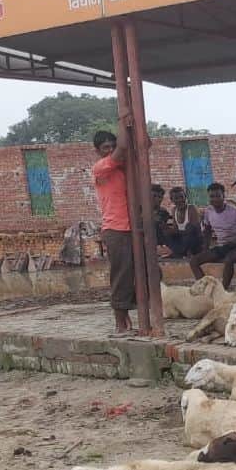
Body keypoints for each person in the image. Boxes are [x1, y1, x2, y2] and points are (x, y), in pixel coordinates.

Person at [91, 130, 135, 336]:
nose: (110, 151)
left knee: (141, 272)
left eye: (112, 146)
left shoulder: (122, 166)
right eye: (105, 148)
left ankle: (127, 317)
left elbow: (144, 145)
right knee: (121, 275)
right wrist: (125, 125)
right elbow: (122, 150)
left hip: (132, 227)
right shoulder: (101, 168)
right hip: (116, 229)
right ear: (98, 152)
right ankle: (120, 324)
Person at [189, 182, 236, 288]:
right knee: (194, 261)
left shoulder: (234, 212)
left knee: (228, 260)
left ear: (223, 196)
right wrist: (205, 249)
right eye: (212, 196)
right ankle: (205, 288)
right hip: (222, 247)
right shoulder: (208, 211)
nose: (215, 199)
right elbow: (207, 230)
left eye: (218, 196)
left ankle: (223, 291)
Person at [164, 186, 203, 257]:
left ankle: (182, 252)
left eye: (181, 197)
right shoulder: (174, 210)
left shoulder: (192, 208)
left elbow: (194, 230)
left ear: (185, 197)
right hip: (183, 240)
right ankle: (180, 252)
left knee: (189, 228)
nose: (180, 200)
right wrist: (169, 230)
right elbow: (175, 229)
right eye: (176, 198)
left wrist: (176, 232)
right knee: (166, 233)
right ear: (172, 200)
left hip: (195, 241)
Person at [151, 184, 174, 256]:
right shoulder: (140, 210)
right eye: (154, 196)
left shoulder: (163, 212)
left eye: (160, 197)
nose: (157, 199)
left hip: (161, 242)